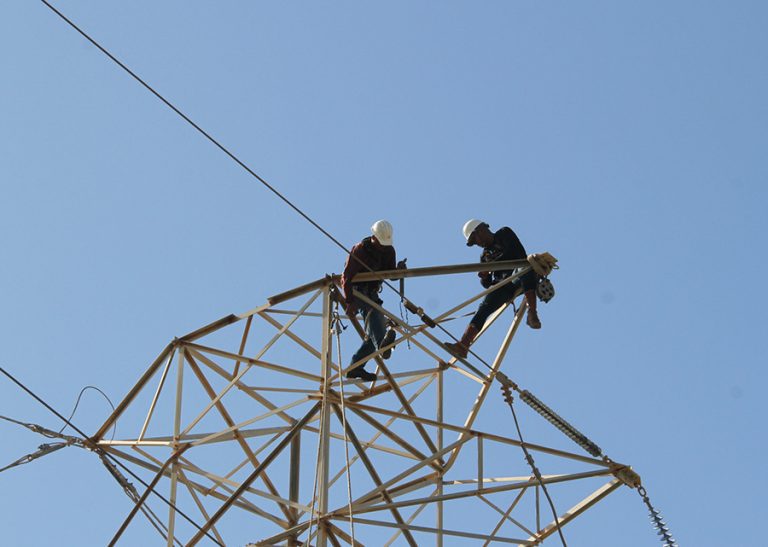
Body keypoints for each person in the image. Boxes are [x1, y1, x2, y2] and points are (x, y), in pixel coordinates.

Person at [445, 219, 541, 359]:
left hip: (518, 275)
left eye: (475, 239)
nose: (478, 243)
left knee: (525, 268)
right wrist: (484, 277)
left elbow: (513, 252)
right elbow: (487, 284)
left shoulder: (504, 233)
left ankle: (532, 312)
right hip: (502, 286)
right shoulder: (484, 256)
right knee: (484, 307)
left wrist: (491, 266)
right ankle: (463, 345)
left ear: (481, 230)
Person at [342, 220, 404, 382]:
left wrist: (399, 271)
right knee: (375, 317)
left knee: (372, 335)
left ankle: (355, 367)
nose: (382, 247)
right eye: (380, 244)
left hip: (372, 292)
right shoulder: (360, 250)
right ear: (373, 237)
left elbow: (391, 275)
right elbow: (346, 277)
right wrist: (349, 301)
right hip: (358, 292)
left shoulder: (389, 251)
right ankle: (383, 348)